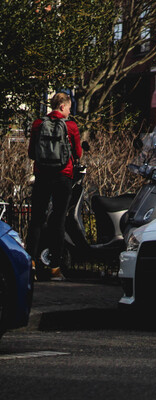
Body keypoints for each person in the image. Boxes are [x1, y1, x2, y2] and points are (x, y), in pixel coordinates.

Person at [26, 92, 82, 281]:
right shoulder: (71, 126)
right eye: (68, 108)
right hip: (62, 177)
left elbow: (32, 153)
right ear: (62, 106)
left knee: (36, 219)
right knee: (58, 220)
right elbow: (78, 152)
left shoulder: (38, 124)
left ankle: (30, 264)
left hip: (42, 176)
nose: (69, 111)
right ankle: (55, 268)